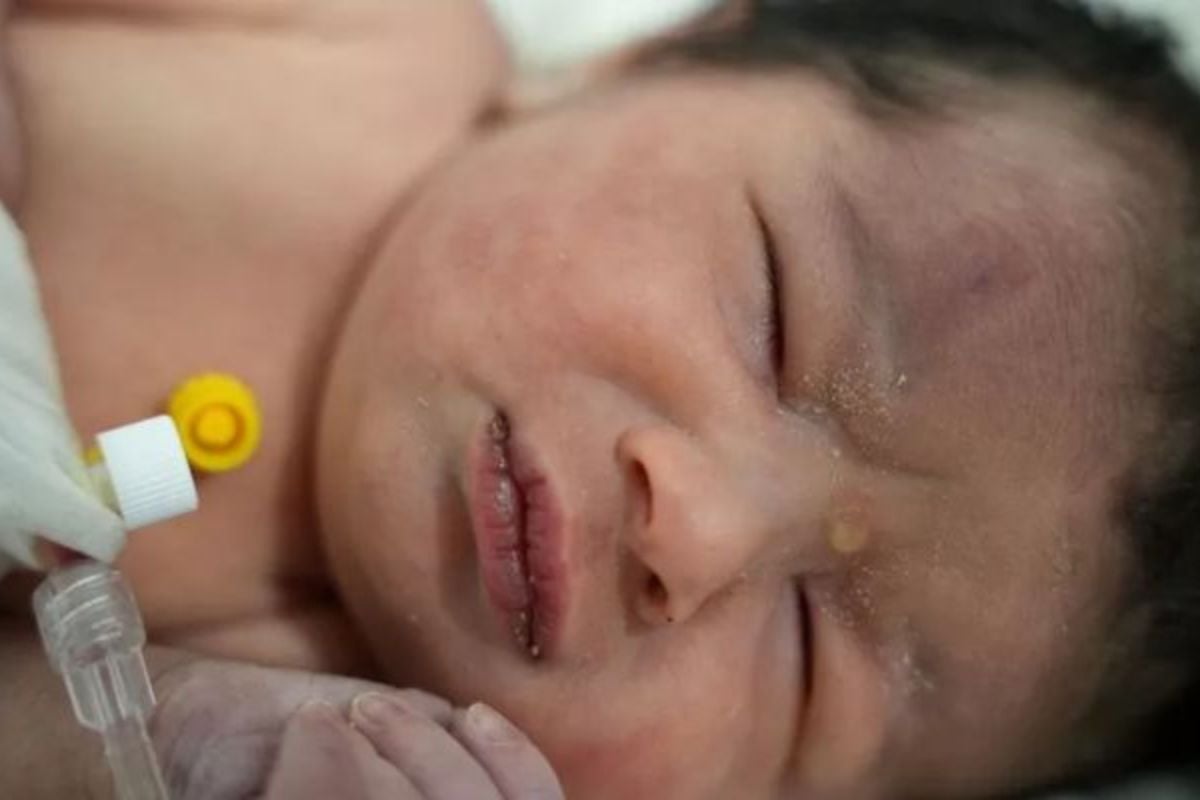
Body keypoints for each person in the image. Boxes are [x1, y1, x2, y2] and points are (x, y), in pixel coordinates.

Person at [2, 0, 1199, 797]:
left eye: (811, 666)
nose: (701, 526)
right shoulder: (349, 38)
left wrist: (156, 746)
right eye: (779, 318)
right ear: (647, 60)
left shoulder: (324, 737)